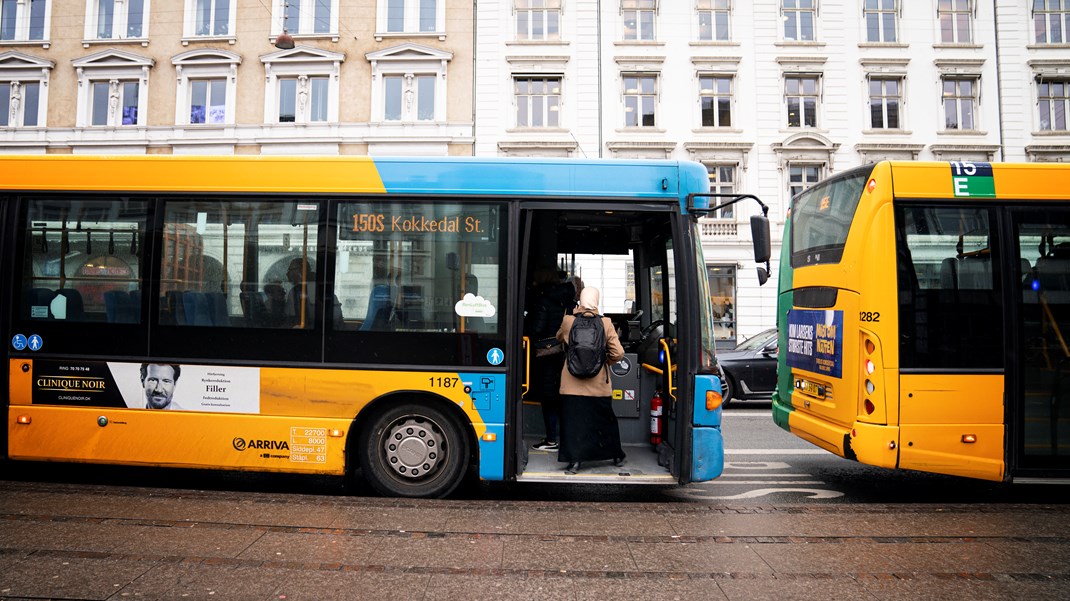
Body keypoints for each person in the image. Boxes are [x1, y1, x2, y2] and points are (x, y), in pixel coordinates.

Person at [555, 286, 626, 473]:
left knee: (574, 423)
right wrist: (604, 363)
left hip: (571, 384)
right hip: (599, 384)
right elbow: (618, 353)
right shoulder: (606, 323)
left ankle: (575, 461)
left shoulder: (568, 321)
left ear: (580, 300)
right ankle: (616, 455)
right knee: (604, 421)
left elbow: (558, 338)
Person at [524, 267, 576, 451]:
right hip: (568, 353)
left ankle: (551, 439)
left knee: (548, 396)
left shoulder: (542, 300)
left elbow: (537, 328)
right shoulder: (570, 298)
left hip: (548, 354)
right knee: (565, 395)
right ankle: (568, 438)